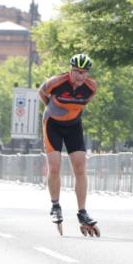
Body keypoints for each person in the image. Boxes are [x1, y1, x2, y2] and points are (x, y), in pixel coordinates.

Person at [39, 53, 99, 235]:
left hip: (73, 126)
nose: (80, 76)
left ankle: (82, 212)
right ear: (70, 70)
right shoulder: (56, 82)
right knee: (55, 167)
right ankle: (55, 205)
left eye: (84, 73)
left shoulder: (91, 87)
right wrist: (52, 108)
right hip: (53, 124)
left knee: (80, 167)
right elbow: (42, 93)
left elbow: (84, 102)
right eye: (77, 72)